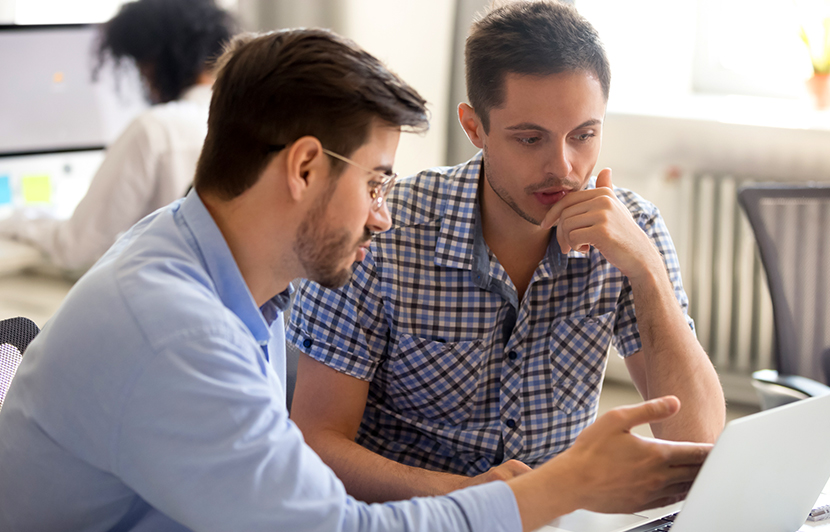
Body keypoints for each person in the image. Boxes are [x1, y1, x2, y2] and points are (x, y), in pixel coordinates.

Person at [0, 28, 711, 532]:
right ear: (305, 169)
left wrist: (643, 266)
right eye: (374, 182)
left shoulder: (219, 277)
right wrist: (557, 490)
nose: (381, 215)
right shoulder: (174, 328)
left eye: (583, 133)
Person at [287, 0, 726, 503]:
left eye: (584, 135)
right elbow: (315, 444)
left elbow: (700, 441)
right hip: (411, 518)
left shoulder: (634, 229)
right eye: (530, 138)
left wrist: (647, 270)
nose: (563, 166)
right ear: (475, 128)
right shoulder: (384, 234)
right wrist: (480, 502)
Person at [0, 0, 236, 270]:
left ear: (153, 61)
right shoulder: (244, 114)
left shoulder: (156, 129)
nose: (142, 80)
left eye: (139, 67)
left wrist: (16, 221)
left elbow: (78, 247)